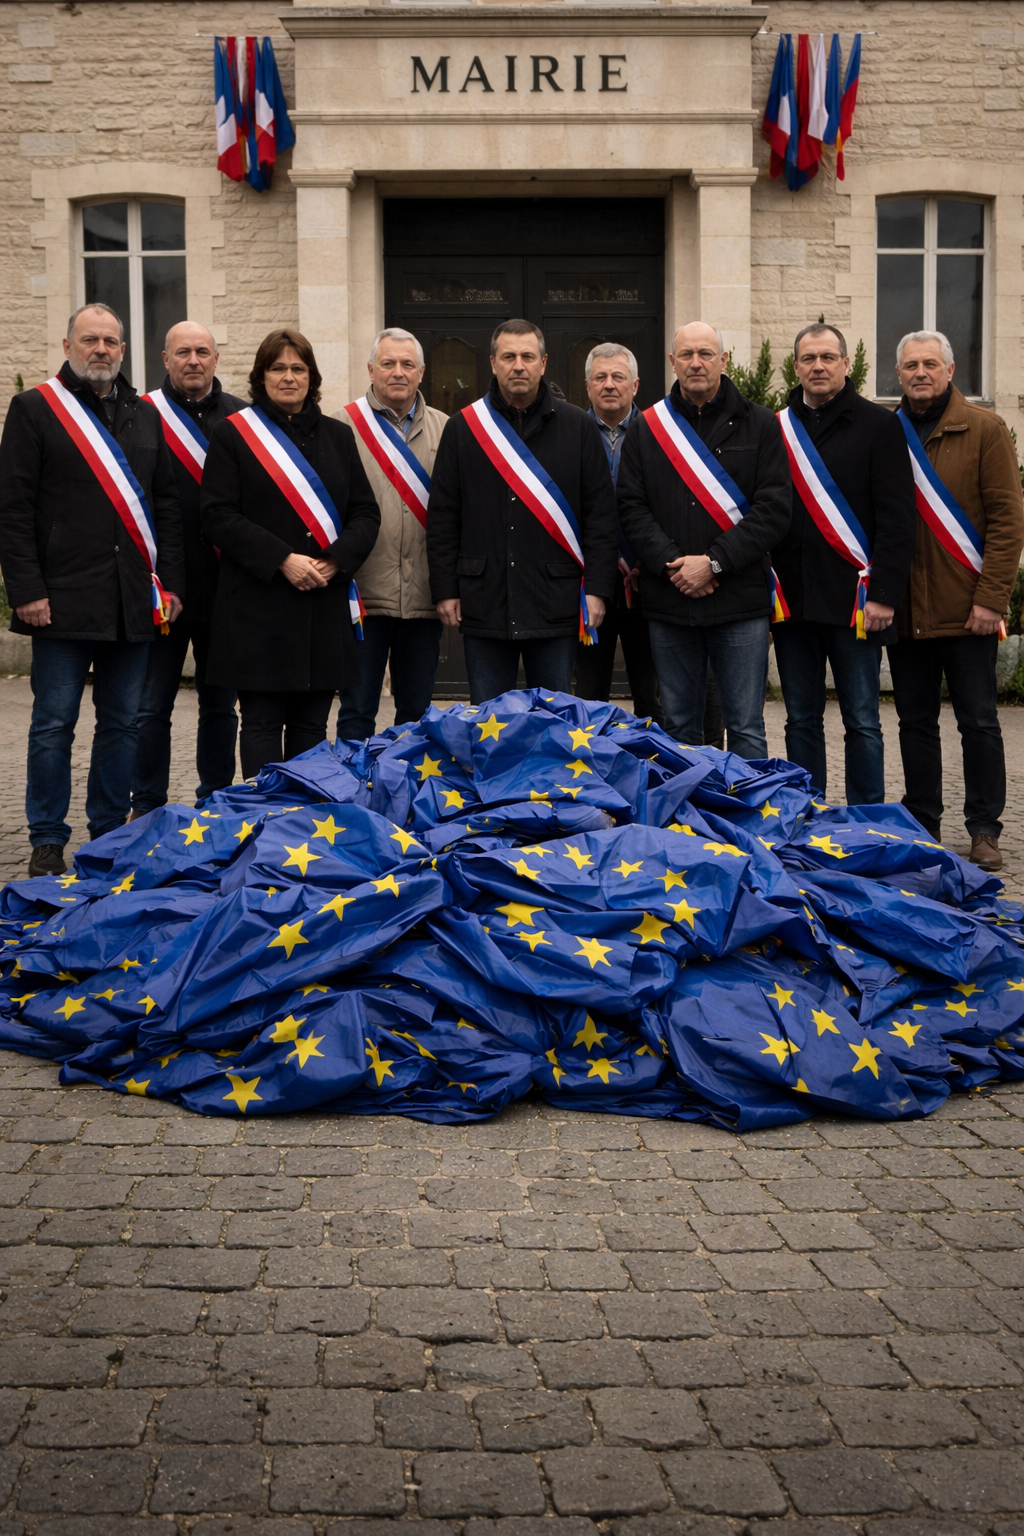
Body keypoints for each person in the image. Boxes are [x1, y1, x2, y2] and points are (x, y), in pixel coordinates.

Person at [0, 303, 184, 876]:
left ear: (123, 350)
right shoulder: (35, 408)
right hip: (59, 599)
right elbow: (13, 507)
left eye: (110, 341)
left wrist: (171, 584)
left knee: (123, 722)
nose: (100, 349)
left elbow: (167, 506)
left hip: (132, 600)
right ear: (67, 345)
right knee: (53, 724)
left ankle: (107, 834)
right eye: (89, 340)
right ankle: (47, 839)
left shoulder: (144, 414)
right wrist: (26, 589)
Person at [200, 328, 380, 779]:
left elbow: (365, 513)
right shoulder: (233, 434)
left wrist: (335, 560)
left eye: (298, 368)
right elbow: (217, 515)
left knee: (311, 725)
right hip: (258, 605)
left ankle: (305, 815)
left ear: (311, 377)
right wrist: (282, 558)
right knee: (261, 723)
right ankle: (264, 814)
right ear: (261, 376)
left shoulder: (339, 436)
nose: (288, 377)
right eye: (277, 368)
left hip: (322, 601)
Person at [617, 321, 791, 756]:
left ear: (723, 360)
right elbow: (632, 508)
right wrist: (675, 565)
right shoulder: (647, 427)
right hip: (670, 598)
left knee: (745, 725)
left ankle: (747, 801)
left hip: (739, 600)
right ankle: (689, 804)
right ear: (673, 362)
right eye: (687, 355)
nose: (696, 363)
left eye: (706, 354)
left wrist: (712, 563)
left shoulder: (760, 423)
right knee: (677, 724)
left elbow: (773, 510)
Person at [888, 329, 1024, 870]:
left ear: (949, 370)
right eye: (911, 365)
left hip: (969, 610)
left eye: (930, 364)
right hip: (906, 611)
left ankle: (985, 829)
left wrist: (992, 599)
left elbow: (1008, 520)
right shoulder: (887, 431)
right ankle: (922, 823)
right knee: (914, 723)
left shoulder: (985, 428)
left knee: (979, 723)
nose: (920, 373)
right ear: (898, 374)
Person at [427, 319, 618, 703]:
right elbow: (444, 517)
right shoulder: (463, 428)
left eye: (528, 357)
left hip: (556, 604)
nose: (519, 366)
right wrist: (445, 590)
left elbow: (601, 517)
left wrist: (598, 590)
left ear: (543, 363)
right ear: (493, 363)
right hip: (485, 603)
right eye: (509, 357)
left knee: (554, 722)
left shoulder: (578, 427)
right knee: (489, 722)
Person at [771, 323, 916, 803]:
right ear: (795, 366)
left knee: (863, 720)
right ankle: (806, 813)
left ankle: (866, 821)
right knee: (800, 719)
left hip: (857, 603)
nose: (818, 366)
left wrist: (884, 596)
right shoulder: (776, 428)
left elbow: (897, 519)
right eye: (808, 358)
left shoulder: (880, 425)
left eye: (828, 357)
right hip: (793, 603)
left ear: (846, 364)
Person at [129, 322, 245, 817]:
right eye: (183, 352)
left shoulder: (243, 416)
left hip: (226, 588)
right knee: (150, 707)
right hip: (164, 588)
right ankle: (147, 804)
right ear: (165, 359)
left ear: (216, 359)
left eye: (202, 351)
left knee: (220, 706)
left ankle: (214, 800)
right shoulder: (140, 415)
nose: (193, 360)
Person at [336, 328, 447, 739]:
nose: (397, 372)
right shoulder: (342, 425)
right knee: (356, 711)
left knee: (416, 715)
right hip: (362, 596)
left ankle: (406, 781)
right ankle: (353, 779)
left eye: (407, 364)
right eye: (388, 363)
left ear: (421, 372)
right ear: (371, 370)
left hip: (423, 597)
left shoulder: (446, 428)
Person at [574, 342, 663, 723]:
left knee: (652, 695)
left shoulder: (660, 433)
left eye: (618, 377)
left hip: (649, 580)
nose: (609, 384)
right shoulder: (569, 432)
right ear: (587, 386)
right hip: (587, 583)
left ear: (635, 385)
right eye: (600, 377)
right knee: (588, 694)